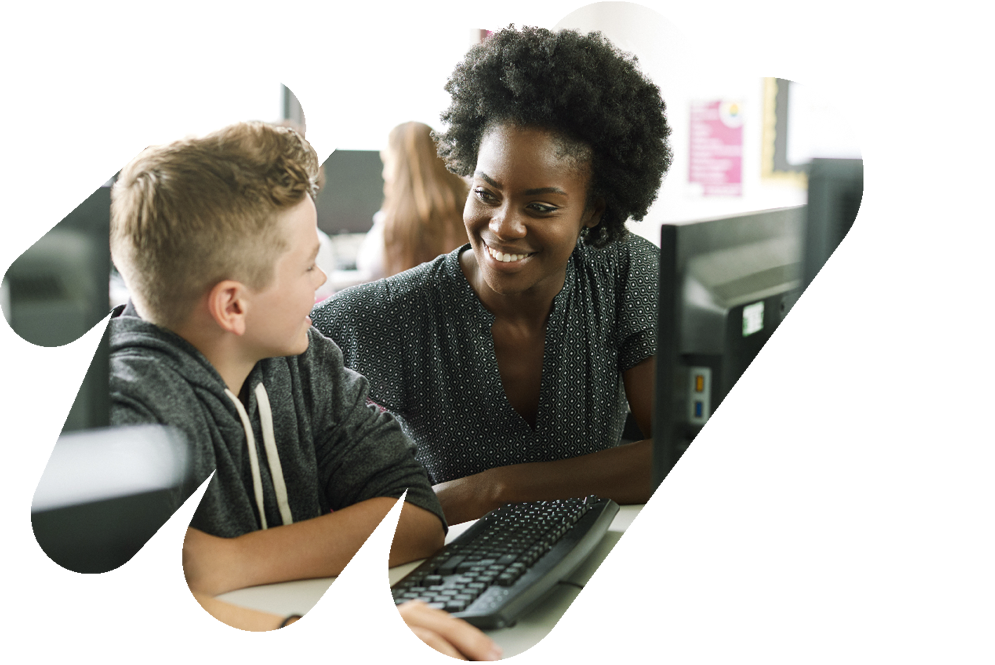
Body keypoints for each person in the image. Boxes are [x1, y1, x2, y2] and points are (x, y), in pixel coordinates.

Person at [108, 121, 501, 657]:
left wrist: (228, 561)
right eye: (309, 264)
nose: (321, 280)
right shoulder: (125, 408)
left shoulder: (304, 359)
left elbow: (417, 516)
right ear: (232, 306)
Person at [311, 25, 673, 525]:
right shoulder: (381, 317)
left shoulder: (626, 272)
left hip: (582, 554)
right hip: (444, 574)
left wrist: (492, 489)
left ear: (593, 211)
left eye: (541, 206)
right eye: (485, 193)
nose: (502, 226)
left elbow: (669, 453)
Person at [355, 121, 469, 280]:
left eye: (387, 163)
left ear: (399, 167)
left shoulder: (392, 223)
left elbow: (368, 265)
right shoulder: (466, 210)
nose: (384, 173)